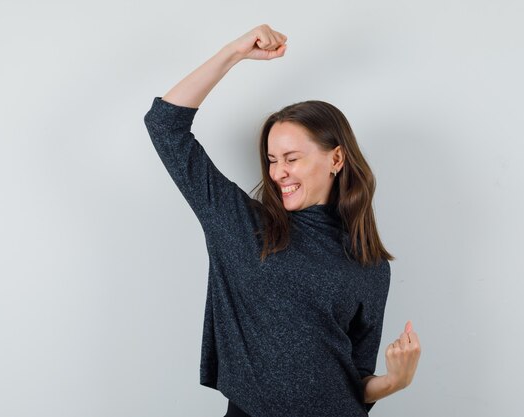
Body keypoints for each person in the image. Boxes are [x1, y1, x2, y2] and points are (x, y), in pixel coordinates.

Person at [144, 24, 421, 417]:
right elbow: (164, 126)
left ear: (336, 160)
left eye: (292, 159)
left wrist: (396, 381)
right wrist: (234, 52)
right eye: (273, 161)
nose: (278, 173)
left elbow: (356, 383)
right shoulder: (242, 225)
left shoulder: (370, 263)